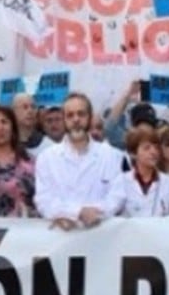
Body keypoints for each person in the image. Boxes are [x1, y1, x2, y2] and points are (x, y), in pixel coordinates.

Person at [34, 93, 123, 229]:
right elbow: (43, 199)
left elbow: (117, 196)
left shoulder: (111, 155)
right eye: (70, 115)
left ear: (89, 117)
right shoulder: (46, 158)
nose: (76, 119)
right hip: (61, 236)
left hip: (101, 236)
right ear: (64, 120)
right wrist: (76, 213)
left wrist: (95, 213)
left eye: (81, 114)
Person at [104, 124, 169, 217]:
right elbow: (108, 209)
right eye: (147, 148)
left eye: (156, 147)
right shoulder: (122, 181)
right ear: (133, 153)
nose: (153, 152)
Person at [0, 104, 37, 217]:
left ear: (12, 128)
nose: (0, 127)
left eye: (4, 122)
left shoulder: (30, 161)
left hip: (26, 229)